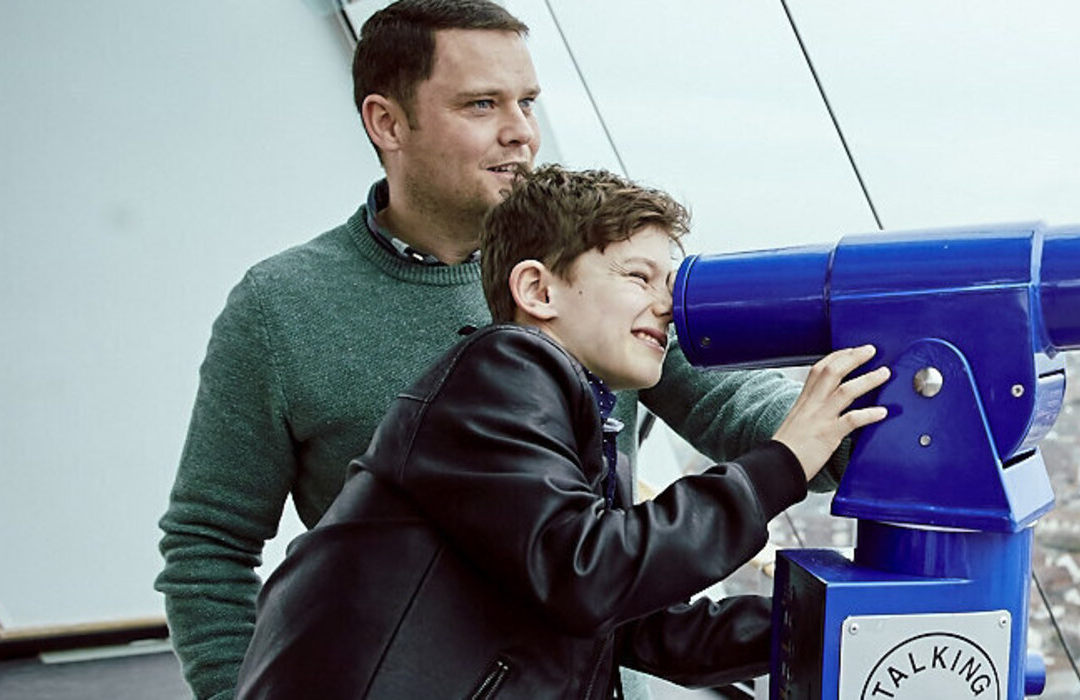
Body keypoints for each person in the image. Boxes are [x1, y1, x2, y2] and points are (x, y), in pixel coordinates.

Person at [154, 2, 843, 698]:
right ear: (386, 122)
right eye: (482, 104)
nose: (521, 132)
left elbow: (731, 401)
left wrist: (869, 440)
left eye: (529, 102)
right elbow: (207, 547)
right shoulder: (282, 306)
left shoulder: (597, 286)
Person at [234, 165, 889, 699]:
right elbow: (589, 572)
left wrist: (824, 628)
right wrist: (785, 460)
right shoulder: (499, 371)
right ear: (538, 291)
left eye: (671, 281)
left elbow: (633, 630)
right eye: (638, 277)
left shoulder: (573, 415)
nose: (667, 304)